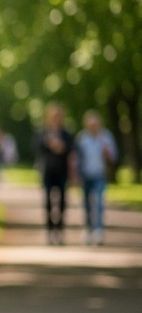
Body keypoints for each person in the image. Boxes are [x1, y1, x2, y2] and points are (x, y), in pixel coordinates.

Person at [34, 101, 75, 245]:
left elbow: (71, 149)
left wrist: (61, 147)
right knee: (48, 203)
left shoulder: (66, 133)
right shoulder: (43, 132)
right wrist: (49, 144)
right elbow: (37, 147)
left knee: (63, 202)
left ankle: (60, 230)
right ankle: (50, 231)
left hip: (62, 172)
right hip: (47, 171)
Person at [75, 109, 118, 245]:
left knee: (99, 203)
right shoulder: (82, 138)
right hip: (85, 175)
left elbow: (114, 157)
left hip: (100, 174)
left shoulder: (106, 137)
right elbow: (76, 158)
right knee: (87, 204)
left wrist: (107, 154)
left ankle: (98, 231)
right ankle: (88, 229)